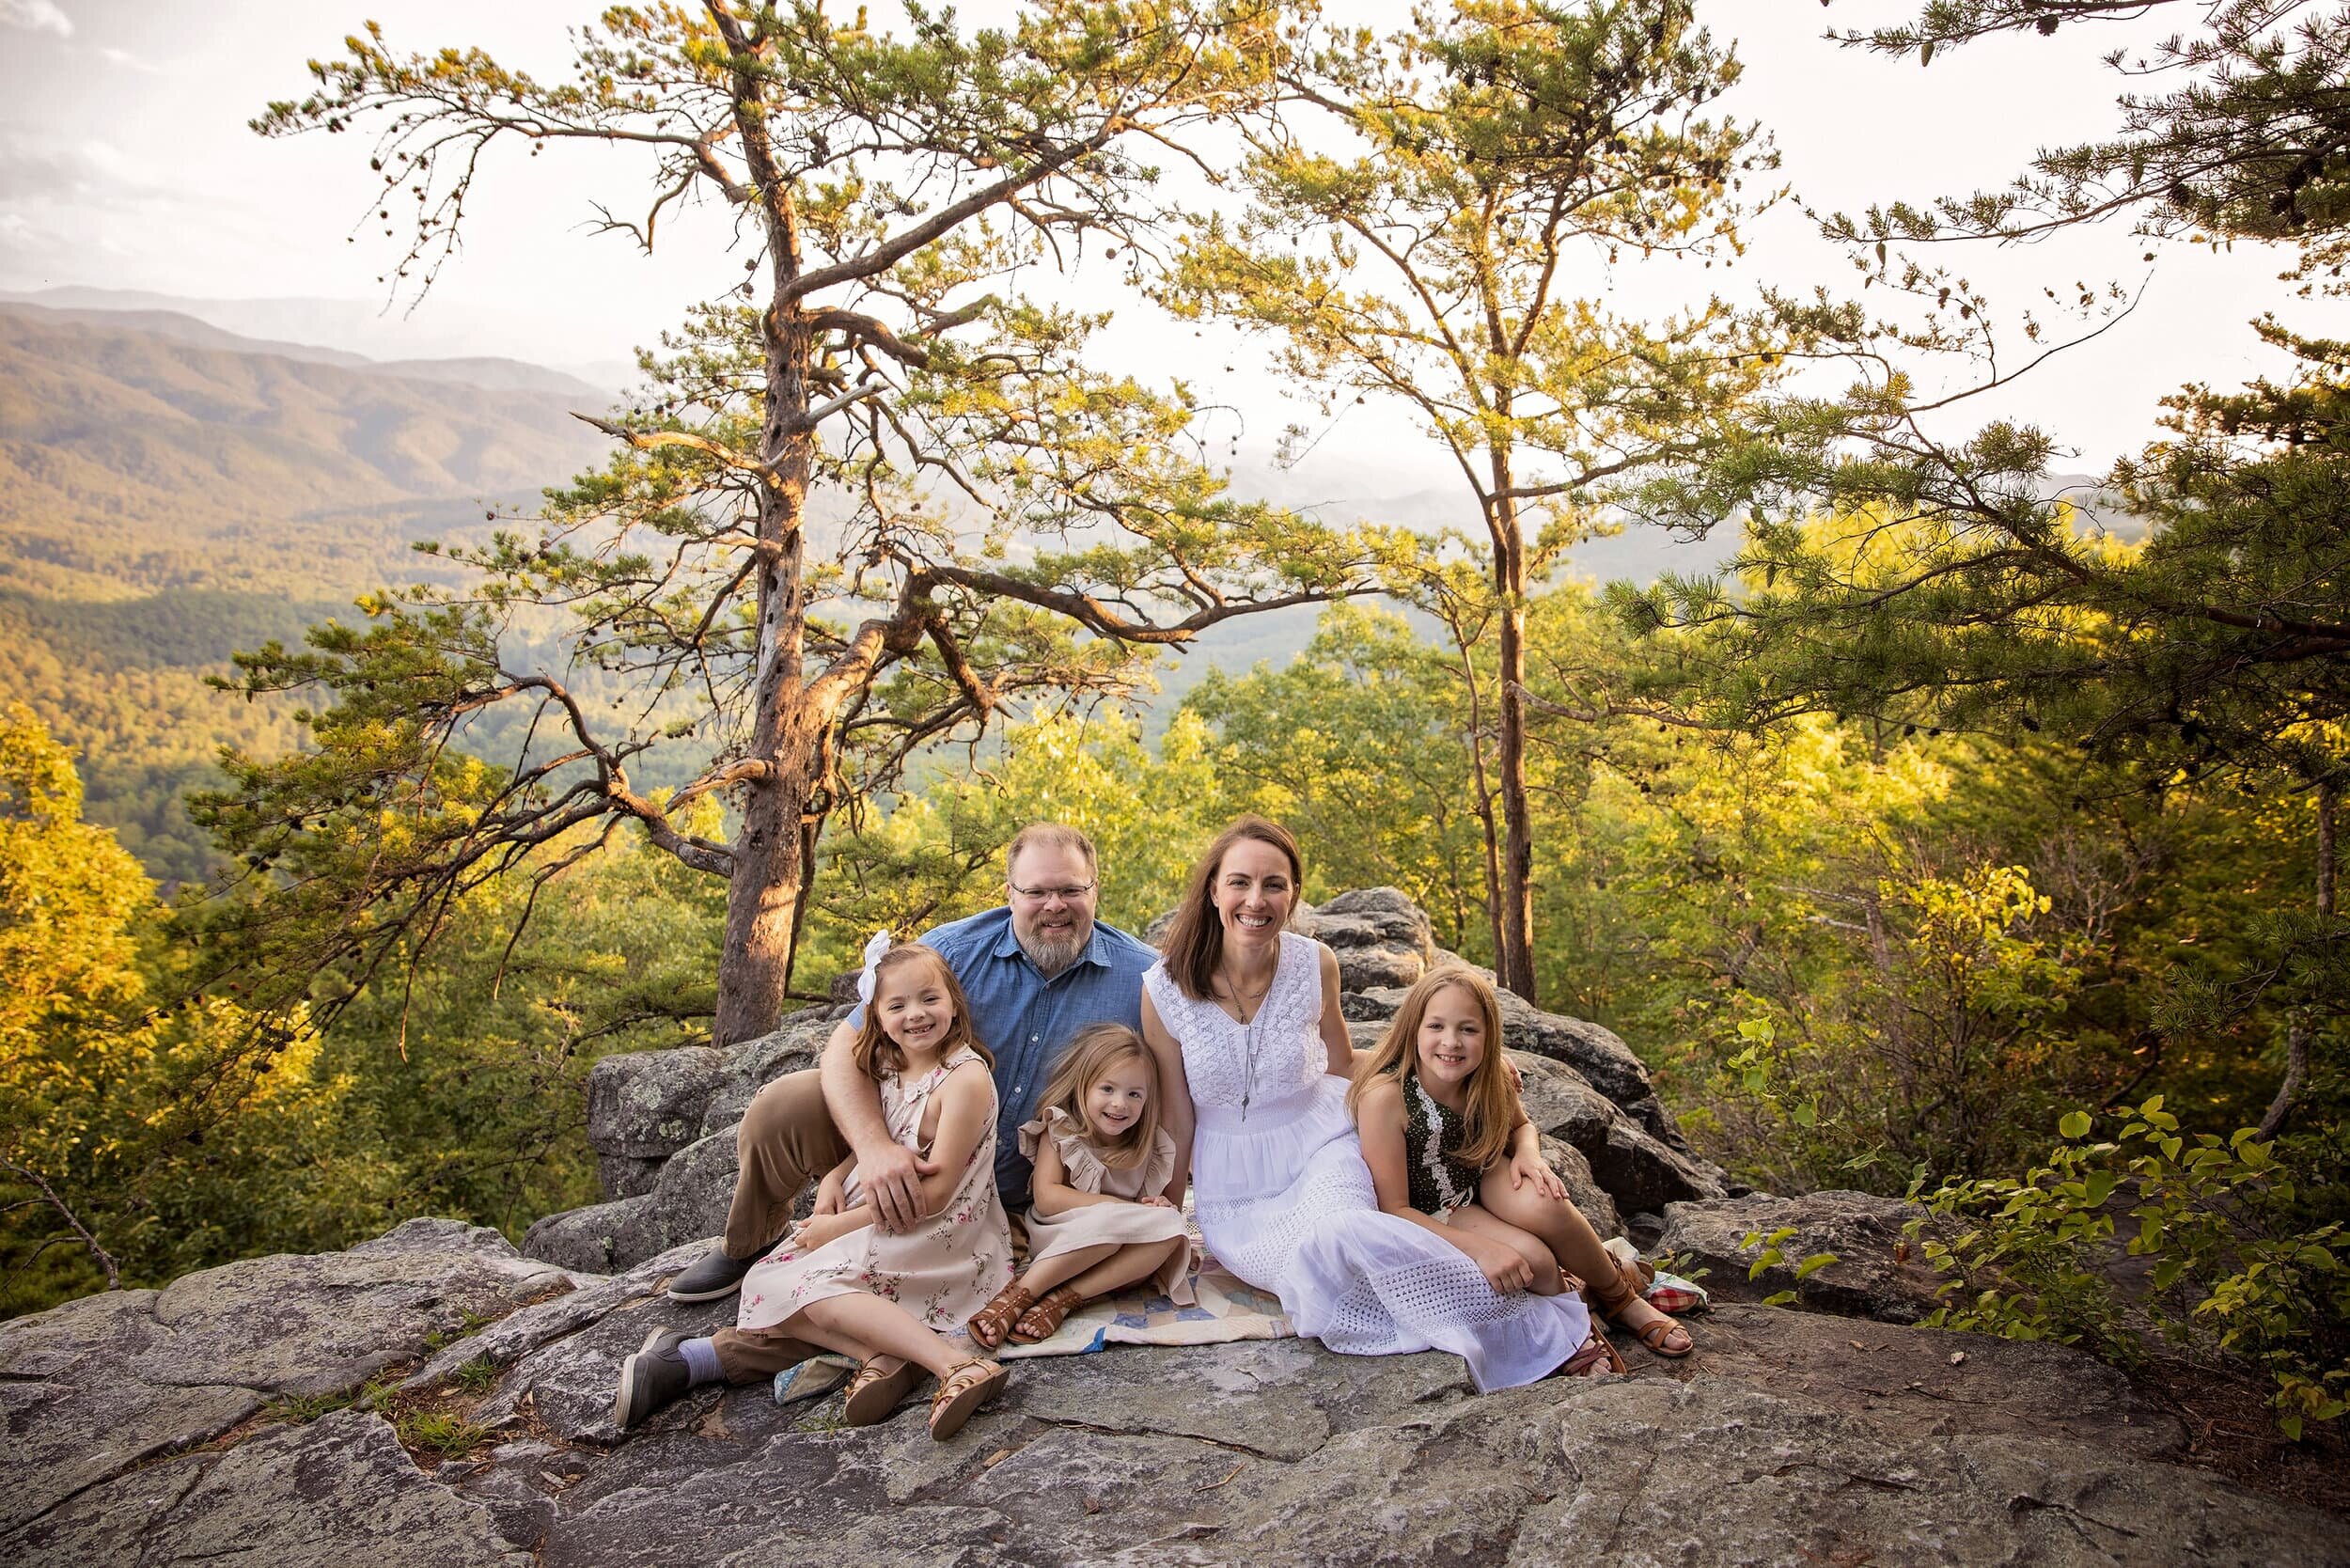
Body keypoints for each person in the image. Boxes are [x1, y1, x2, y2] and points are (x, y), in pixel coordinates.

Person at [660, 821, 1160, 1376]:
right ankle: (748, 1242)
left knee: (903, 1289)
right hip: (909, 1141)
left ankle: (745, 1359)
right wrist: (871, 1149)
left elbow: (1177, 1087)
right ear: (1009, 894)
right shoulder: (949, 953)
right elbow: (843, 1047)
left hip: (1019, 1194)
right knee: (786, 1103)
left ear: (1096, 889)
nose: (1055, 906)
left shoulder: (1141, 977)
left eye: (1071, 890)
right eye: (1036, 891)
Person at [1138, 815, 1605, 1393]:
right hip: (1235, 1186)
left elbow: (1341, 1063)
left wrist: (1454, 1065)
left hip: (1322, 1146)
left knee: (1348, 1227)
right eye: (1239, 882)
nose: (1255, 900)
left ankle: (1533, 1319)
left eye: (1274, 884)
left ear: (1294, 894)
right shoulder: (1164, 987)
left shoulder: (1315, 963)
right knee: (1316, 1266)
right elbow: (1176, 1111)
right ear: (1212, 890)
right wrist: (1165, 1203)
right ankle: (1506, 1271)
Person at [615, 943, 1014, 1437]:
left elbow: (938, 1195)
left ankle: (953, 1365)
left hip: (943, 1233)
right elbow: (887, 1134)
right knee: (767, 1281)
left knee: (815, 1291)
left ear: (953, 1001)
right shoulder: (893, 1064)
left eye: (929, 999)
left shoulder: (963, 1079)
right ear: (876, 1015)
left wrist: (835, 1228)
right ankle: (882, 1355)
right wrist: (835, 1173)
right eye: (897, 1006)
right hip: (892, 1213)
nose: (916, 1014)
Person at [1350, 965, 1691, 1359]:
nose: (1452, 1042)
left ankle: (1619, 1296)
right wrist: (1480, 1248)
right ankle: (1570, 1320)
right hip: (1435, 1209)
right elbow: (1395, 1209)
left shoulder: (1490, 1073)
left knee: (1546, 1202)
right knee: (1534, 1261)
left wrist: (1529, 1155)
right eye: (1436, 1027)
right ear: (1413, 1029)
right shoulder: (1386, 1100)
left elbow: (1521, 1126)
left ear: (1489, 1035)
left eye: (1468, 1030)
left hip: (1480, 1172)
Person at [965, 1023, 1193, 1348]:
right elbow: (1047, 1197)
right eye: (1107, 1089)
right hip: (1063, 1239)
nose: (1120, 1104)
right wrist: (1123, 1211)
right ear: (1083, 1086)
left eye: (1134, 1094)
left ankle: (1065, 1299)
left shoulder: (1148, 1145)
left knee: (1171, 1227)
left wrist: (1154, 1208)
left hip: (1115, 1254)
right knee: (1110, 1225)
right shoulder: (1062, 1128)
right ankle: (1021, 1292)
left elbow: (1142, 1213)